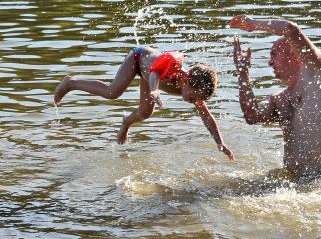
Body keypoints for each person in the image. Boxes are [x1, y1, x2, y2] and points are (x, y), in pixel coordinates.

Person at [54, 46, 234, 160]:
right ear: (185, 81)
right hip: (138, 59)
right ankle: (70, 83)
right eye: (193, 98)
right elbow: (155, 73)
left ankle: (125, 124)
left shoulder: (193, 87)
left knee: (146, 112)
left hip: (148, 75)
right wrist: (154, 89)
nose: (193, 102)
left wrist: (220, 142)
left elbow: (206, 116)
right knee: (113, 92)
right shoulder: (174, 70)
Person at [229, 14, 321, 182]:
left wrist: (252, 24)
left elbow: (289, 29)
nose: (269, 63)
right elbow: (252, 115)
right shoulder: (279, 99)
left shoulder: (318, 73)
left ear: (294, 53)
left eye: (274, 54)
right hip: (295, 183)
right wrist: (243, 73)